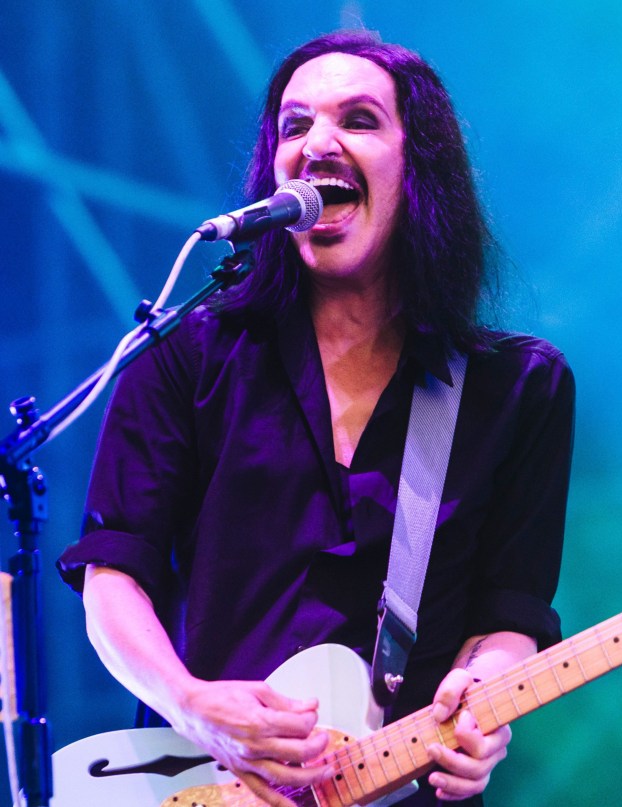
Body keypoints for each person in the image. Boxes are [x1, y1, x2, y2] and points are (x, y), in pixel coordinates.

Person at [57, 30, 575, 806]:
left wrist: (484, 708)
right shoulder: (185, 351)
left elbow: (511, 610)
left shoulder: (517, 388)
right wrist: (195, 704)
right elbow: (113, 574)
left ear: (419, 168)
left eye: (358, 121)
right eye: (294, 126)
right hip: (201, 782)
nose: (317, 145)